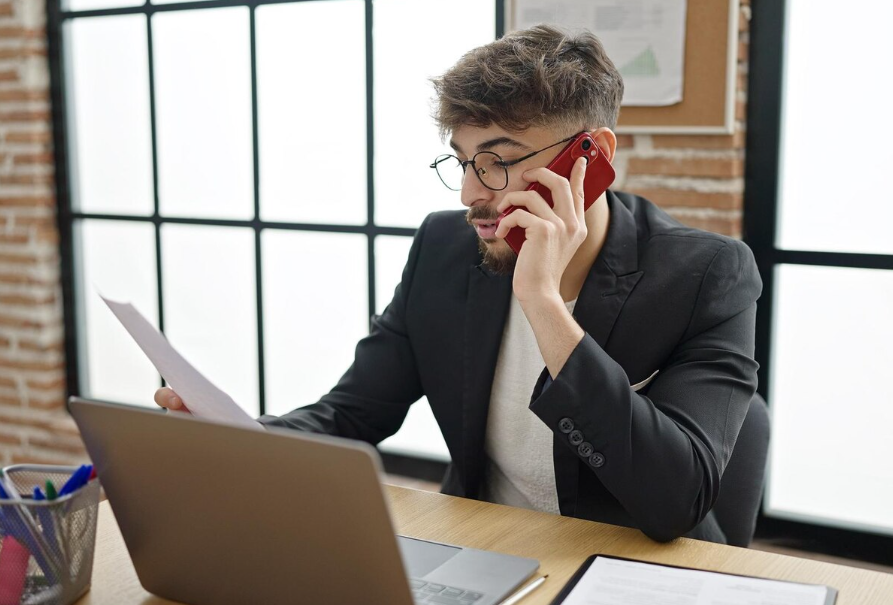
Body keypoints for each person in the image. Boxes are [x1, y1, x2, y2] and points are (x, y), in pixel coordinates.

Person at [155, 25, 761, 544]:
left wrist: (545, 305)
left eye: (499, 160)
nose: (473, 195)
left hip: (632, 569)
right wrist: (237, 437)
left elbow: (675, 502)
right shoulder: (444, 249)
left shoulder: (708, 276)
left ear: (592, 154)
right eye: (464, 162)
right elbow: (351, 415)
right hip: (483, 548)